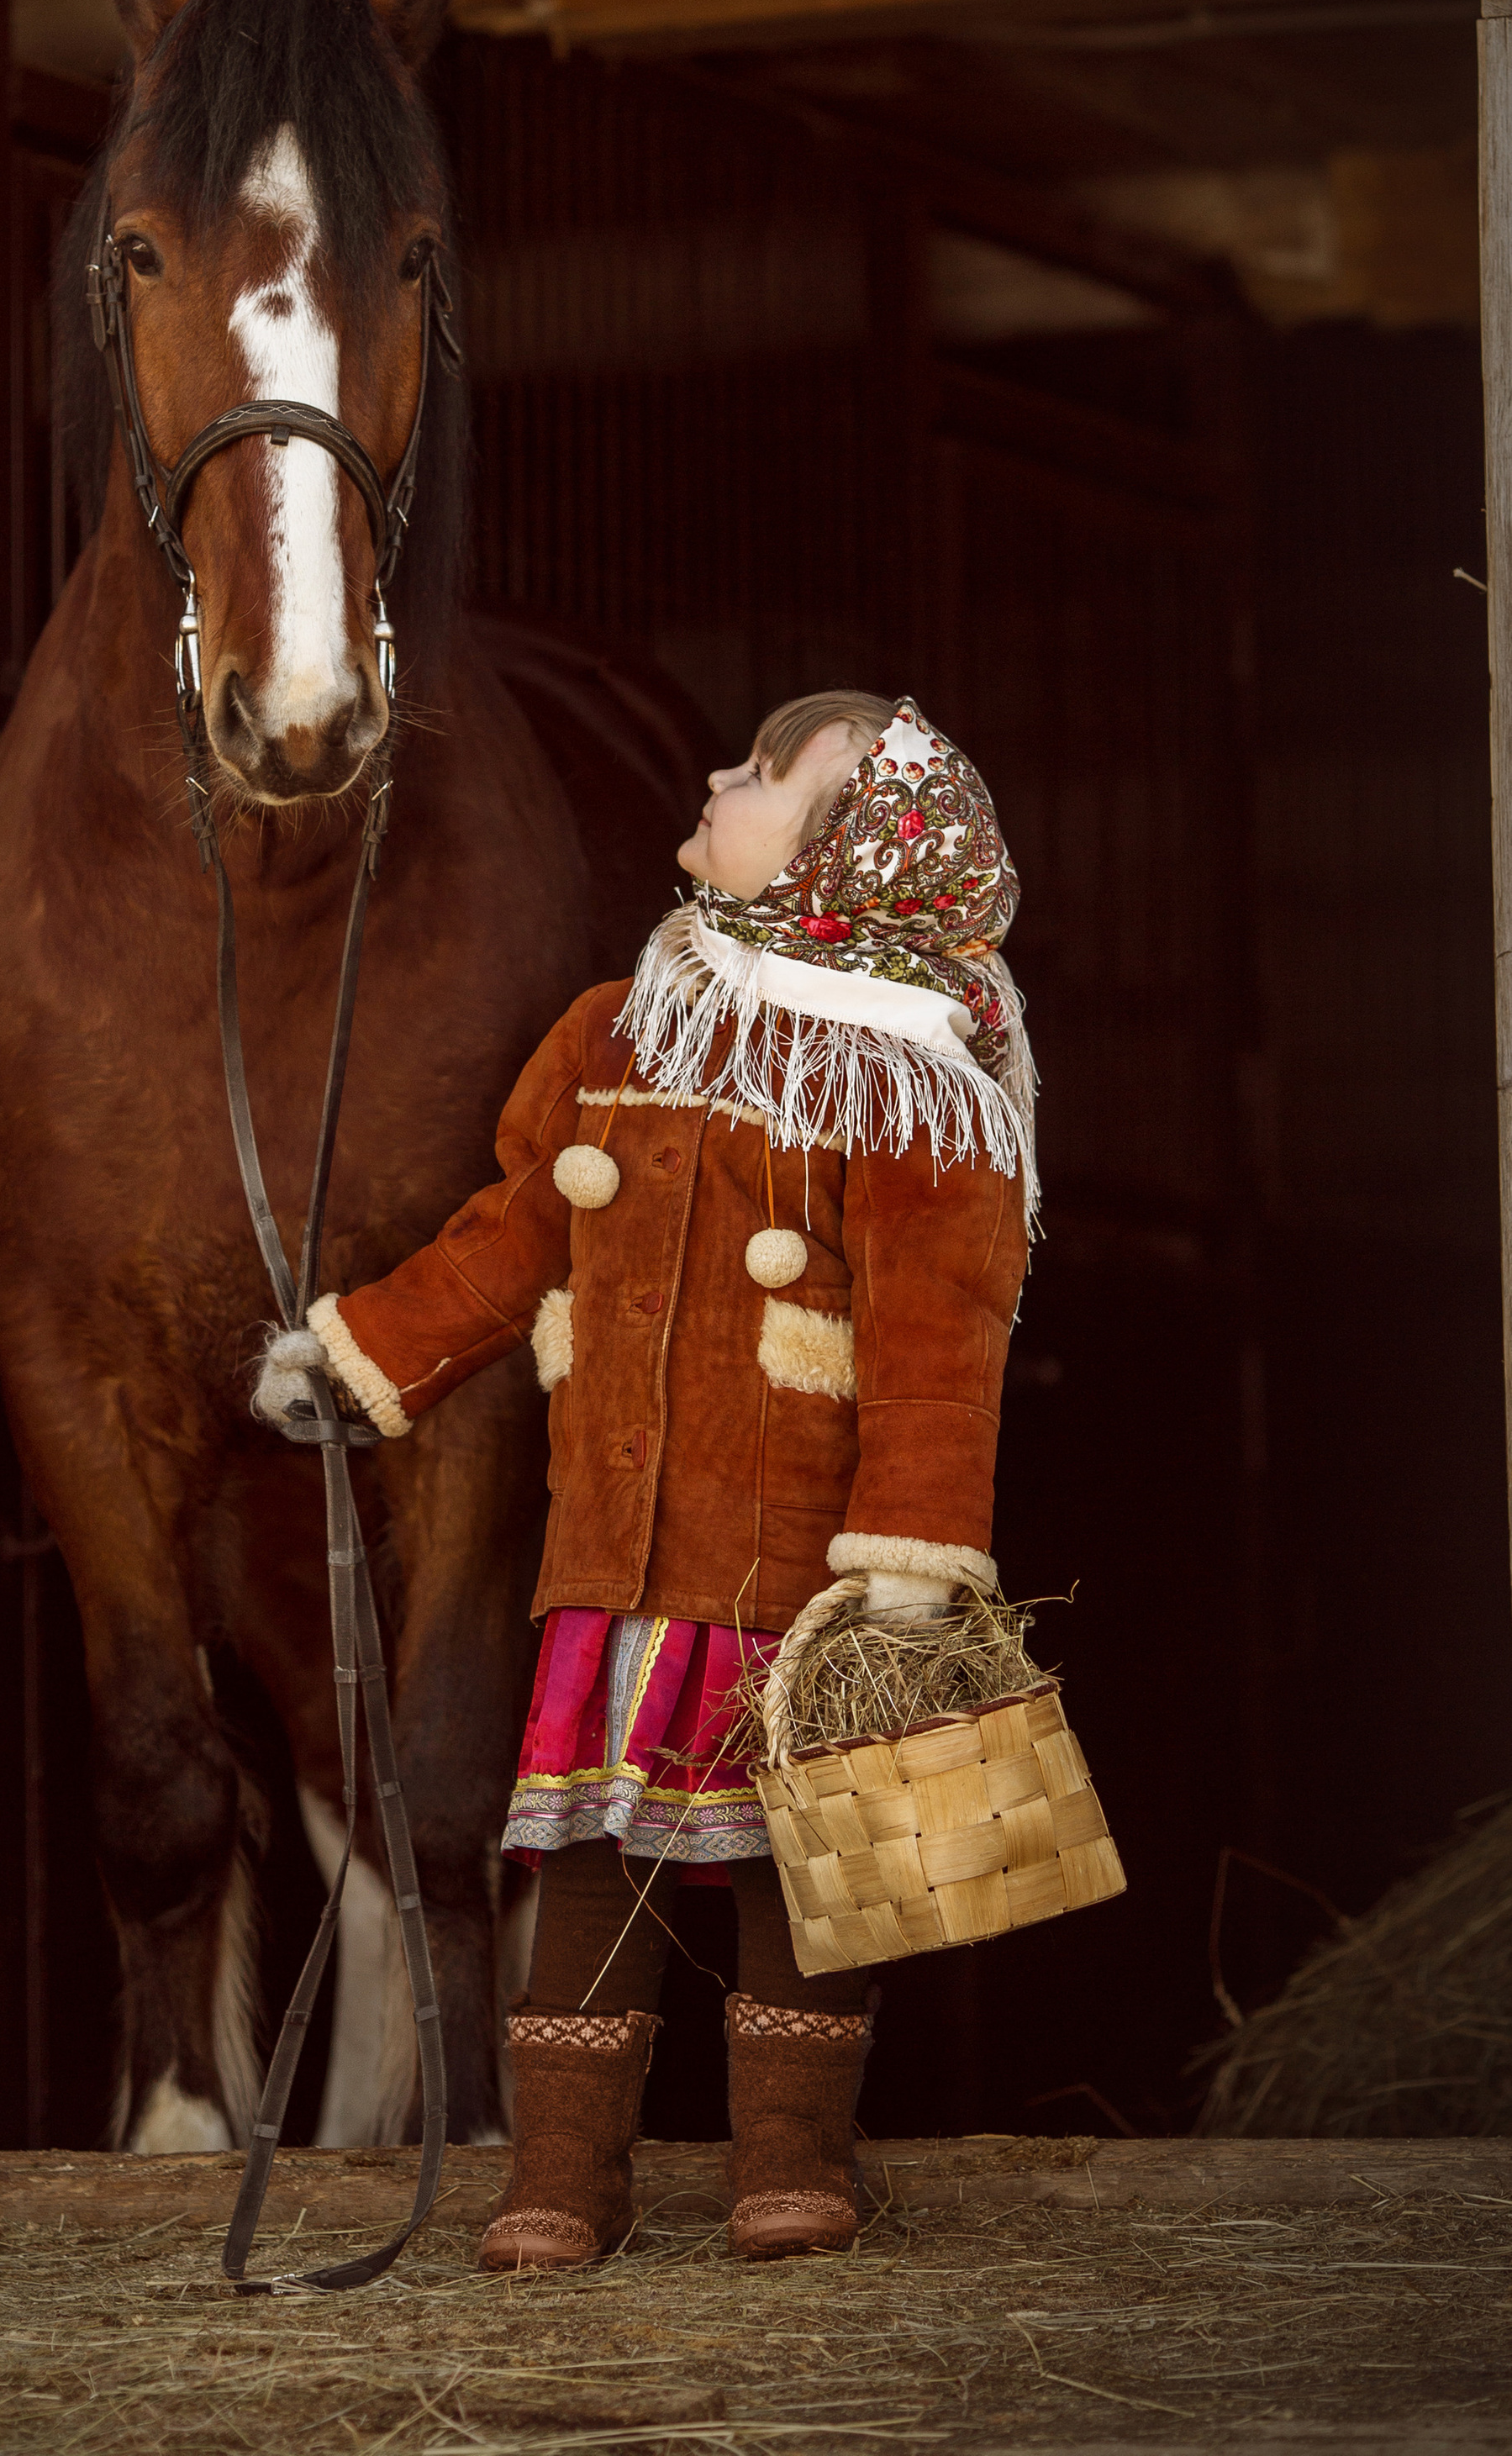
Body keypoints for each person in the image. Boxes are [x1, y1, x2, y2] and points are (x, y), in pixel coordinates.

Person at [254, 690, 1035, 2270]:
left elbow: (942, 1339)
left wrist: (910, 1561)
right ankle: (561, 2181)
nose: (715, 778)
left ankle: (790, 2169)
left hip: (796, 1582)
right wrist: (365, 1356)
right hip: (615, 1552)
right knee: (592, 1858)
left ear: (844, 859)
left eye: (759, 777)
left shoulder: (907, 1083)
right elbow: (514, 1234)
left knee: (806, 1874)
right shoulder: (620, 1027)